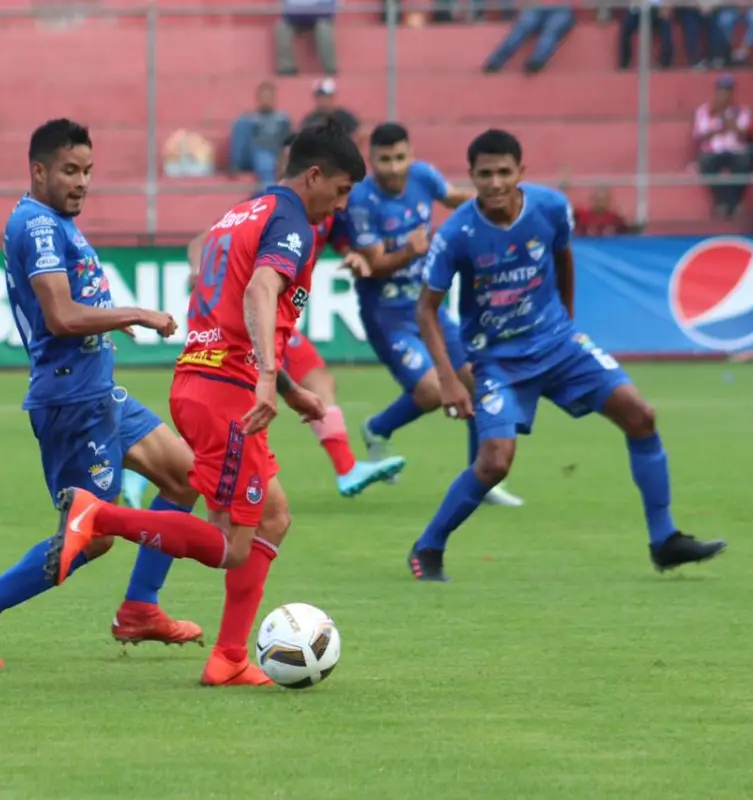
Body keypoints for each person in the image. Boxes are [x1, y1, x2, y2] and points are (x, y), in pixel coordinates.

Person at [0, 119, 242, 669]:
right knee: (94, 535)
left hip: (99, 392)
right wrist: (136, 313)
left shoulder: (51, 221)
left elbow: (75, 307)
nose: (81, 182)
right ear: (39, 170)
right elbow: (59, 315)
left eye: (87, 172)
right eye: (70, 171)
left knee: (188, 476)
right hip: (70, 402)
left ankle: (141, 607)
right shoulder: (39, 227)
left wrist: (106, 324)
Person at [408, 129, 727, 582]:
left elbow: (563, 258)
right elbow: (426, 309)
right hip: (498, 360)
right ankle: (428, 546)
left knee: (640, 415)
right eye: (485, 174)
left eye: (504, 172)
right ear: (472, 176)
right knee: (495, 461)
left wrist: (568, 322)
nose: (495, 182)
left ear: (521, 171)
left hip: (559, 345)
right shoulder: (457, 233)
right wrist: (449, 378)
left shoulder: (551, 207)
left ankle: (664, 540)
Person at [169, 120, 366, 685]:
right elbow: (259, 292)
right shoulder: (291, 221)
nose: (342, 202)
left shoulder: (245, 211)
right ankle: (99, 517)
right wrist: (267, 378)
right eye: (342, 188)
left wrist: (288, 388)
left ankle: (228, 657)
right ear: (314, 175)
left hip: (207, 379)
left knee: (271, 518)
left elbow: (215, 277)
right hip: (228, 393)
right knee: (231, 542)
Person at [123, 133, 406, 507]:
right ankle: (142, 468)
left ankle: (345, 467)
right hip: (254, 320)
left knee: (228, 483)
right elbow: (223, 261)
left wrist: (359, 259)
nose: (340, 203)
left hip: (261, 321)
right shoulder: (273, 209)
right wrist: (203, 269)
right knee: (252, 517)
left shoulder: (324, 212)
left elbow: (357, 249)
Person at [345, 122, 524, 507]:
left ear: (410, 154)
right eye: (384, 160)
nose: (393, 167)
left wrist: (495, 200)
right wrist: (411, 250)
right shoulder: (362, 200)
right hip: (388, 315)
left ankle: (483, 478)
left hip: (428, 305)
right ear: (371, 160)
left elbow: (453, 196)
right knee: (430, 391)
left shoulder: (423, 176)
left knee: (475, 380)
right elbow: (375, 265)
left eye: (399, 158)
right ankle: (378, 429)